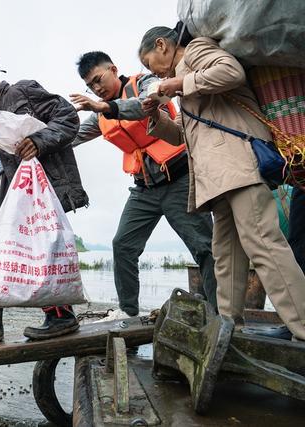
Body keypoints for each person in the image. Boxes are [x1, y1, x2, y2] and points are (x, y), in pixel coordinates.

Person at [138, 25, 305, 340]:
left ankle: (303, 325)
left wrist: (182, 82)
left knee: (263, 244)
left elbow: (232, 72)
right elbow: (183, 136)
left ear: (162, 45)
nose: (155, 74)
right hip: (216, 177)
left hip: (237, 164)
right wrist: (158, 116)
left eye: (150, 64)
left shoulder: (197, 50)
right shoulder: (181, 82)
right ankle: (228, 329)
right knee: (225, 255)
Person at [0, 55, 89, 348]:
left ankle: (58, 316)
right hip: (9, 193)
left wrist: (39, 141)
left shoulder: (21, 92)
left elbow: (68, 118)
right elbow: (3, 167)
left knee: (39, 251)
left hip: (36, 191)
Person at [69, 51, 217, 317]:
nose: (96, 89)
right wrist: (39, 142)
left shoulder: (145, 83)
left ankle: (217, 313)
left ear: (113, 69)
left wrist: (105, 107)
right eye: (90, 86)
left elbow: (146, 103)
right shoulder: (100, 114)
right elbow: (72, 137)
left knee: (204, 247)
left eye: (98, 80)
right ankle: (128, 312)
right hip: (143, 190)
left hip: (180, 180)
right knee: (122, 246)